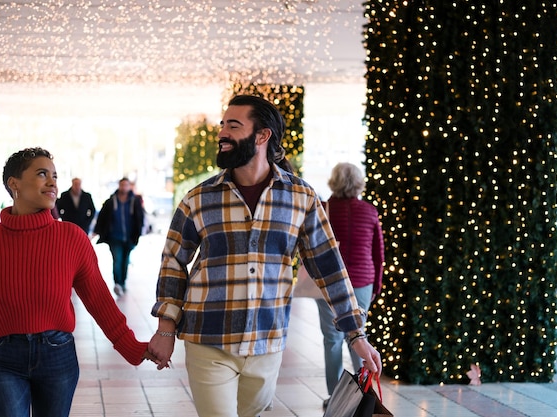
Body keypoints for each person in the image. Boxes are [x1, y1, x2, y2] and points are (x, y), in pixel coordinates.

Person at [147, 95, 382, 417]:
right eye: (222, 126)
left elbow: (329, 267)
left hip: (267, 341)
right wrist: (165, 329)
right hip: (208, 337)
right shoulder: (198, 199)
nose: (222, 134)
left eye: (233, 125)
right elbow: (173, 261)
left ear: (262, 135)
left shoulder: (301, 198)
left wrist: (356, 335)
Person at [0, 147, 150, 416]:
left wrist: (130, 346)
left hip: (58, 356)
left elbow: (99, 301)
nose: (52, 182)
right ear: (13, 184)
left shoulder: (72, 239)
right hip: (2, 358)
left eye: (54, 175)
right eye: (42, 174)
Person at [316, 162, 385, 409]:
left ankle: (335, 397)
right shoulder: (369, 211)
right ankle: (362, 393)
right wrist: (376, 285)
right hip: (363, 282)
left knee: (331, 339)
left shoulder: (323, 210)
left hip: (328, 285)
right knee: (358, 336)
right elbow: (379, 253)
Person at [93, 177, 145, 296]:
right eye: (122, 185)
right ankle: (117, 283)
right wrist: (98, 231)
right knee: (117, 260)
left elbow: (140, 218)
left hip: (130, 237)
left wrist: (138, 233)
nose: (124, 188)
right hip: (114, 237)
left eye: (126, 185)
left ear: (129, 186)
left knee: (125, 260)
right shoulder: (111, 201)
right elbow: (102, 217)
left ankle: (122, 282)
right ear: (119, 186)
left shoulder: (134, 201)